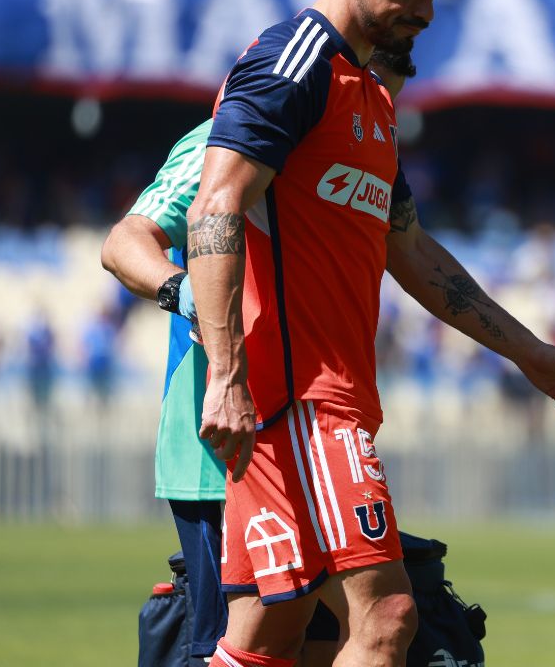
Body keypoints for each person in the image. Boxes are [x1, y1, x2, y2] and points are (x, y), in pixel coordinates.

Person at [185, 0, 555, 666]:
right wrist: (226, 375)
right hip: (300, 400)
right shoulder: (294, 62)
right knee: (386, 619)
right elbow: (216, 206)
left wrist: (530, 352)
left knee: (269, 636)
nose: (425, 10)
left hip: (318, 399)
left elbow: (409, 253)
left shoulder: (371, 100)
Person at [102, 45, 418, 667]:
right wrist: (189, 293)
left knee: (329, 637)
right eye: (369, 84)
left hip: (294, 434)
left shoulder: (352, 137)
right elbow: (125, 241)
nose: (375, 102)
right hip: (219, 449)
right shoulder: (234, 136)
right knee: (282, 635)